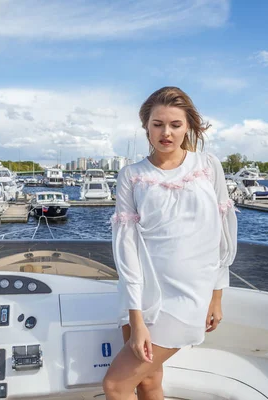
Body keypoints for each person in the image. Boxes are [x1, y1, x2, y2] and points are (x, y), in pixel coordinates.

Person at [103, 86, 238, 399]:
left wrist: (216, 296)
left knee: (115, 384)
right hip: (142, 293)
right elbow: (127, 248)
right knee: (147, 381)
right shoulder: (131, 175)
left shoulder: (207, 166)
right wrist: (136, 319)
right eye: (158, 124)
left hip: (190, 296)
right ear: (146, 127)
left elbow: (222, 235)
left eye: (175, 125)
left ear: (188, 126)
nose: (166, 132)